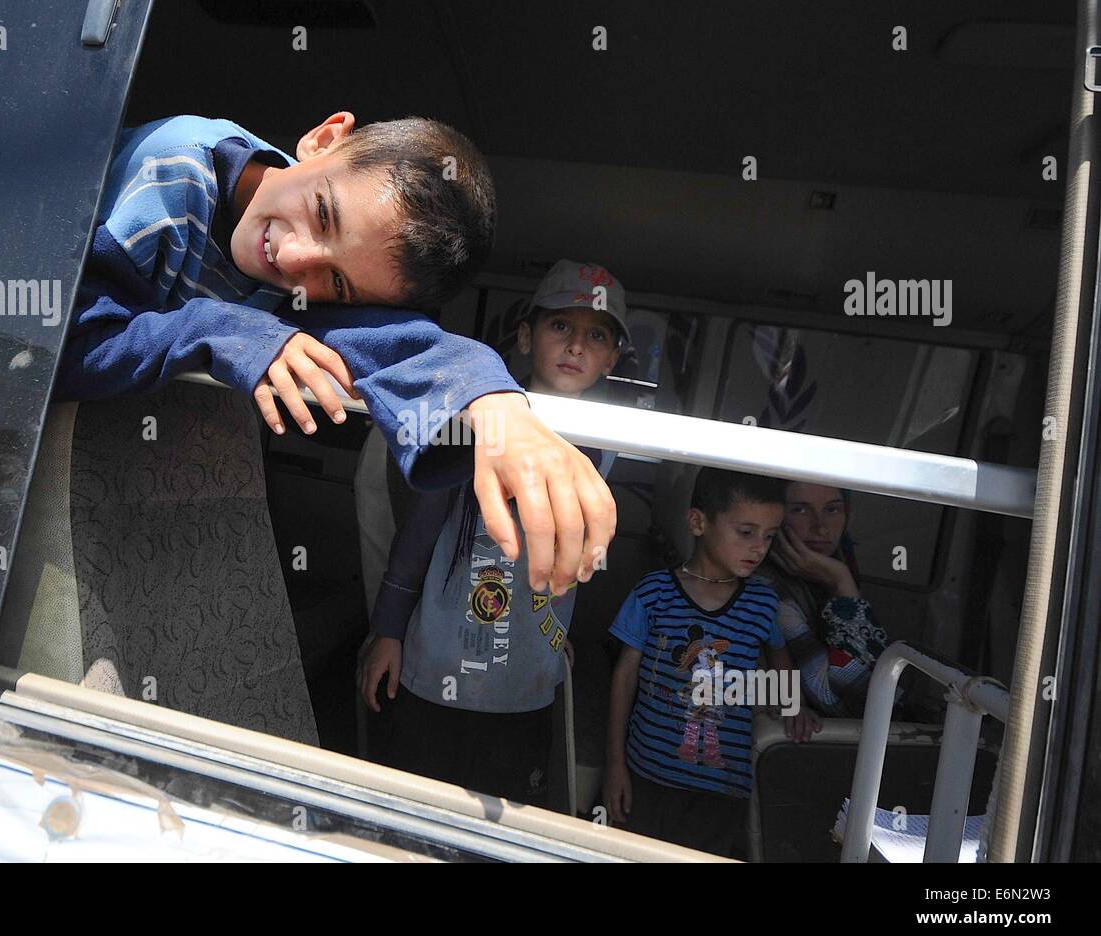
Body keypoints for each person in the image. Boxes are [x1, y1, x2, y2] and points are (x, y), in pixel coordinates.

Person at [54, 112, 610, 594]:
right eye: (323, 212)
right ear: (323, 140)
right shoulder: (172, 169)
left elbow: (392, 340)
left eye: (338, 285)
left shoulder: (309, 265)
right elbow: (62, 345)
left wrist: (494, 404)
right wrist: (223, 329)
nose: (296, 261)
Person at [359, 260, 629, 805]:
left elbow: (572, 562)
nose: (576, 347)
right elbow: (420, 531)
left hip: (525, 679)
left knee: (499, 813)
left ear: (612, 358)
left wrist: (556, 635)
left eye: (595, 335)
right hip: (435, 657)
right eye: (561, 328)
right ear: (527, 336)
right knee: (413, 805)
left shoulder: (609, 443)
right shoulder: (482, 414)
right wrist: (387, 630)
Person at [602, 467, 818, 855]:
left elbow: (780, 658)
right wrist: (615, 764)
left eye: (769, 536)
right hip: (646, 775)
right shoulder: (654, 592)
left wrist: (794, 705)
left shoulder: (763, 602)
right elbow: (624, 677)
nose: (759, 548)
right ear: (698, 522)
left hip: (723, 787)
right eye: (746, 532)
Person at [761, 482, 889, 717]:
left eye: (832, 510)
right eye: (800, 510)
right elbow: (849, 701)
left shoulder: (827, 572)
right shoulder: (767, 589)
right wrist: (842, 581)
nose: (820, 528)